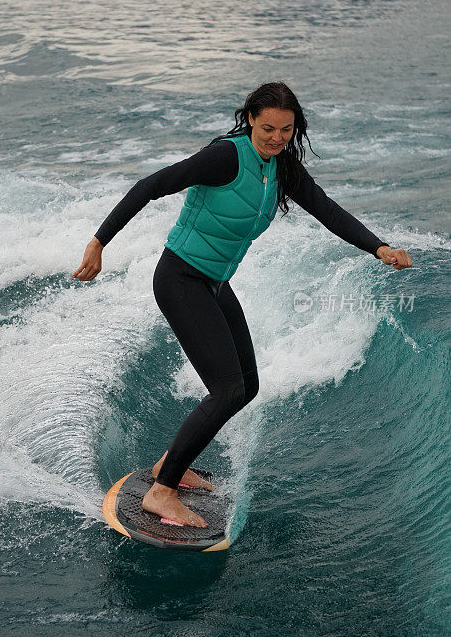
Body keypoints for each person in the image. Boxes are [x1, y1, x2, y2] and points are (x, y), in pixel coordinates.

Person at [72, 82, 413, 528]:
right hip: (180, 279)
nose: (276, 138)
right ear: (250, 118)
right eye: (268, 128)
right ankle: (162, 492)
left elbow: (327, 210)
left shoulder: (282, 168)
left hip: (214, 282)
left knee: (246, 386)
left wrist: (379, 247)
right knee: (227, 389)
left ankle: (166, 466)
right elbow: (151, 185)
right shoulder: (226, 156)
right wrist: (99, 242)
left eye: (286, 131)